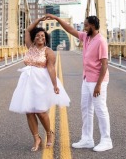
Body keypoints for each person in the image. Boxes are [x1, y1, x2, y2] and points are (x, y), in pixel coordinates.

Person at [46, 14, 113, 152]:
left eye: (86, 25)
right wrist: (57, 19)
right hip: (86, 79)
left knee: (100, 110)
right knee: (86, 109)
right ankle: (87, 139)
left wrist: (99, 85)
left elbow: (105, 64)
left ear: (93, 26)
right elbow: (70, 30)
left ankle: (106, 140)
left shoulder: (101, 41)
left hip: (97, 81)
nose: (84, 27)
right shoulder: (86, 37)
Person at [9, 16, 70, 152]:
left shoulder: (48, 52)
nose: (40, 37)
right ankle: (36, 138)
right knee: (29, 111)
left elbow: (51, 68)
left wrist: (55, 85)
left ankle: (49, 133)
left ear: (45, 38)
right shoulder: (29, 46)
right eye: (37, 35)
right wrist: (39, 20)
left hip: (41, 83)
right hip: (27, 82)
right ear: (34, 37)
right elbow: (28, 30)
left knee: (41, 112)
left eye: (42, 35)